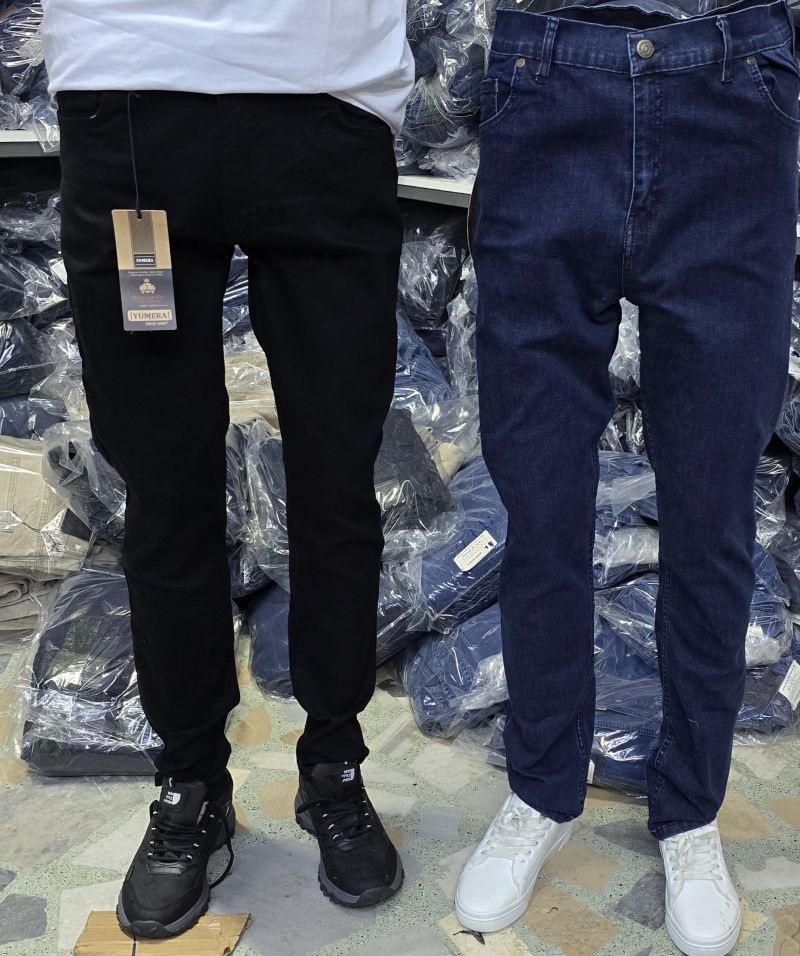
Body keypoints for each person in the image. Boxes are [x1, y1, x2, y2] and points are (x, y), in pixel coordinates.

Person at [41, 1, 414, 940]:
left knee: (337, 482)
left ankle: (333, 766)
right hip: (131, 93)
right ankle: (191, 787)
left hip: (329, 95)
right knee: (166, 495)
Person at [456, 0, 799, 954]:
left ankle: (690, 810)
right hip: (545, 79)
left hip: (734, 89)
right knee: (542, 506)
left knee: (712, 512)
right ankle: (541, 791)